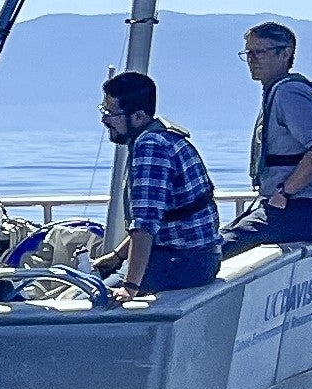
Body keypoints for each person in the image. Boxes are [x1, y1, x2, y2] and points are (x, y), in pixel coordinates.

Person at [93, 71, 223, 295]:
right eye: (104, 110)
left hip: (183, 261)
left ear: (139, 117)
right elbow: (164, 218)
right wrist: (117, 257)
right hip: (199, 257)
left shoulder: (151, 147)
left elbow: (145, 223)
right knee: (99, 276)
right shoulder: (163, 137)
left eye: (111, 113)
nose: (104, 120)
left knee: (91, 295)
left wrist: (130, 287)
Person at [229, 21, 312, 248]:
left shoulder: (289, 92)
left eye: (260, 52)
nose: (252, 59)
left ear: (285, 53)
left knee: (220, 246)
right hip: (291, 206)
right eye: (248, 53)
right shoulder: (275, 91)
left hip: (302, 208)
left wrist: (284, 192)